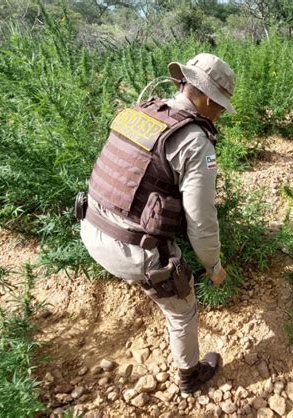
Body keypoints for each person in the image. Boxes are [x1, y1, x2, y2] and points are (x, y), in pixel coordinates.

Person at [77, 53, 235, 394]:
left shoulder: (140, 111)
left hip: (90, 227)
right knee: (183, 308)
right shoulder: (195, 141)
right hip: (132, 251)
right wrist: (214, 267)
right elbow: (201, 222)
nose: (221, 114)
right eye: (221, 106)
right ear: (208, 98)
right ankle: (190, 377)